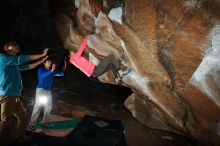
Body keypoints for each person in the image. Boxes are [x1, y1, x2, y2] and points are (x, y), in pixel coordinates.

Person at [0, 41, 49, 146]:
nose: (17, 45)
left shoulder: (12, 63)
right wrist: (42, 54)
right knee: (6, 121)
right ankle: (3, 142)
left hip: (15, 96)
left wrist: (42, 60)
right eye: (13, 45)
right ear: (6, 48)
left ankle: (21, 139)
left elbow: (27, 66)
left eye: (17, 44)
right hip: (7, 95)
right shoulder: (3, 58)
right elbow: (21, 59)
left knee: (23, 117)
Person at [29, 58, 67, 130]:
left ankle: (45, 122)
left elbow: (61, 73)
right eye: (48, 62)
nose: (50, 63)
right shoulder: (41, 70)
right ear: (44, 63)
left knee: (48, 107)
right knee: (38, 106)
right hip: (41, 90)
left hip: (48, 91)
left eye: (51, 62)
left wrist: (65, 64)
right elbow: (43, 75)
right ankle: (32, 124)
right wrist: (52, 71)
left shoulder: (52, 72)